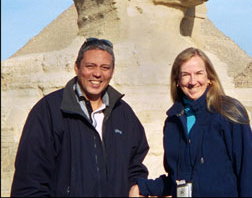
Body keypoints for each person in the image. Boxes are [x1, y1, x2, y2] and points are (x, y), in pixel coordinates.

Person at [10, 38, 149, 197]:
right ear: (77, 67)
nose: (97, 73)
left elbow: (135, 167)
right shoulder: (49, 111)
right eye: (90, 66)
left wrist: (136, 186)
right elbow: (29, 181)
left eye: (105, 67)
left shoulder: (124, 114)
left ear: (112, 71)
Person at [131, 47, 252, 197]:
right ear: (177, 81)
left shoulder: (228, 112)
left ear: (209, 78)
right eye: (186, 75)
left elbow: (249, 173)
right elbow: (176, 179)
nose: (193, 81)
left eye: (199, 73)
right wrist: (143, 187)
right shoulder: (173, 122)